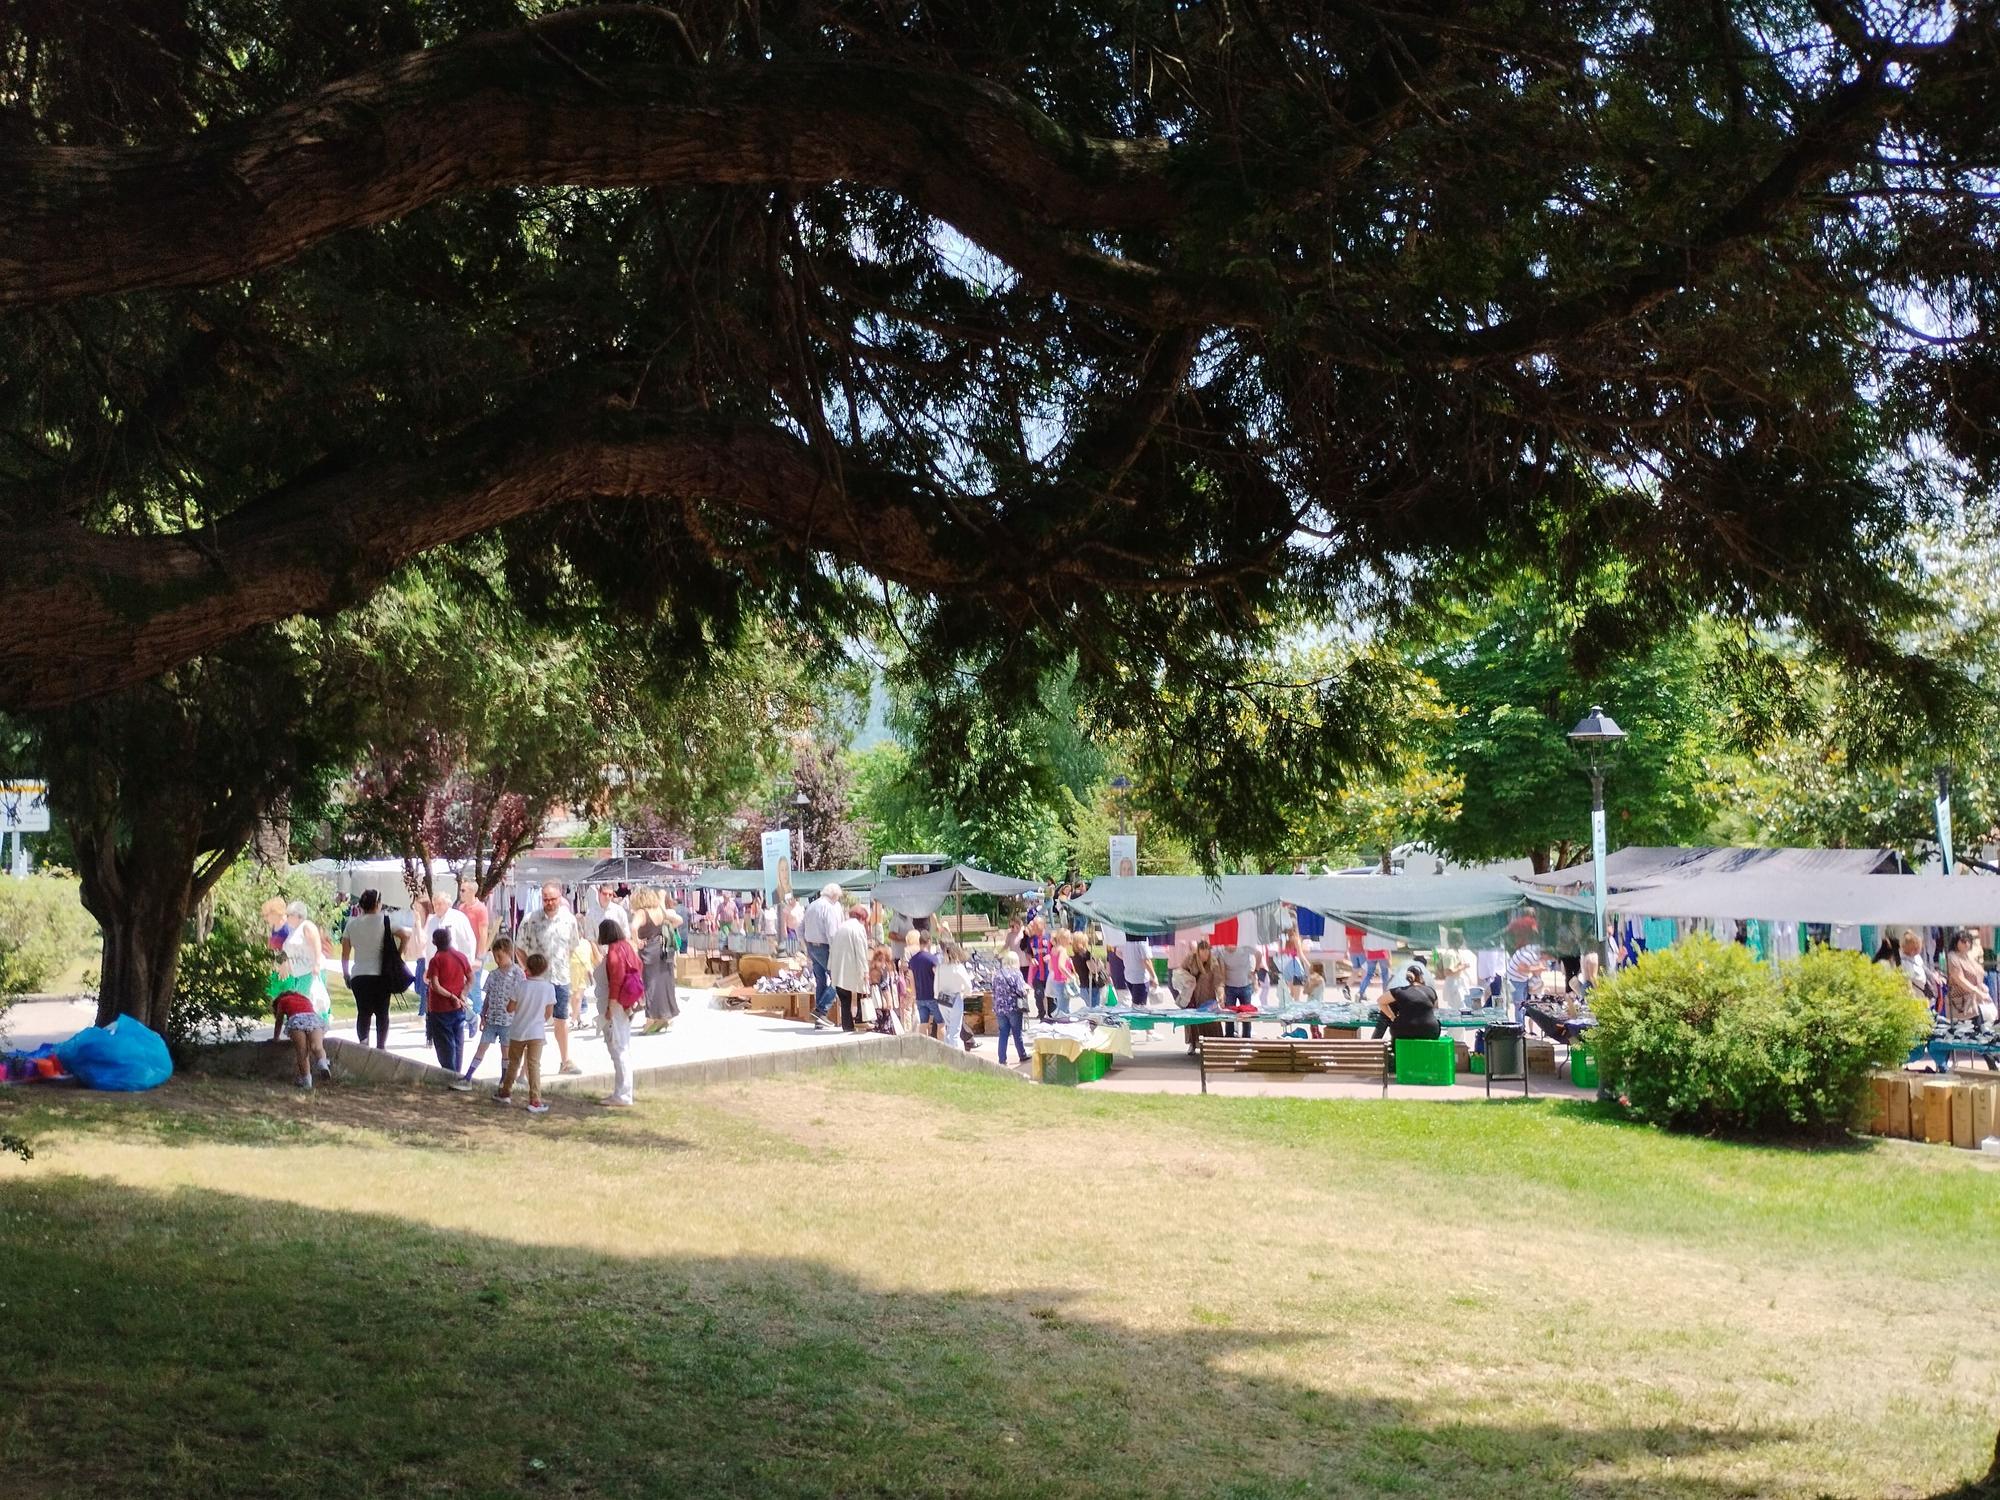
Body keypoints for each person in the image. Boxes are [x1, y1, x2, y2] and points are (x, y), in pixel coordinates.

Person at [515, 882, 584, 1075]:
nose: (549, 903)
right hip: (538, 980)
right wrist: (527, 969)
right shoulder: (531, 920)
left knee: (561, 1020)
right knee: (534, 1021)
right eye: (545, 899)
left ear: (560, 898)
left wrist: (562, 965)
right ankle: (527, 1068)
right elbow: (519, 948)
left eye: (553, 899)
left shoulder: (569, 920)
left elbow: (571, 947)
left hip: (560, 978)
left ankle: (565, 1061)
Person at [496, 952, 554, 1114]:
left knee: (513, 1062)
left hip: (518, 1030)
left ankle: (505, 1092)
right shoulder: (548, 988)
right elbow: (549, 1012)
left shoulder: (521, 985)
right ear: (544, 969)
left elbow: (510, 1008)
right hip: (536, 1032)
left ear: (527, 967)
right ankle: (535, 1100)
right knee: (534, 1065)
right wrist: (539, 1019)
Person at [593, 918, 643, 1107]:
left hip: (617, 1003)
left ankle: (623, 1094)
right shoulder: (627, 947)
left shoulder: (614, 952)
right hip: (628, 1001)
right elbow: (639, 965)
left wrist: (610, 1008)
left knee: (618, 1048)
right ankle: (623, 1091)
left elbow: (615, 980)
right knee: (623, 1046)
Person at [340, 888, 397, 1048]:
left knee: (363, 1012)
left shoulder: (352, 924)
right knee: (382, 1013)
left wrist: (346, 974)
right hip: (381, 974)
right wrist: (396, 953)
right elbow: (405, 935)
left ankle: (363, 1043)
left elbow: (345, 954)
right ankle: (381, 1047)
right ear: (377, 904)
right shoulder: (385, 921)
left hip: (360, 975)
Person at [462, 937, 519, 1083]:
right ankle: (468, 1075)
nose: (497, 960)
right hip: (492, 1019)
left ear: (509, 953)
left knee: (505, 1051)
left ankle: (504, 1079)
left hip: (508, 1021)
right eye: (495, 957)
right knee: (482, 1047)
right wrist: (483, 1014)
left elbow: (521, 996)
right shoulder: (493, 974)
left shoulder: (517, 974)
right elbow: (488, 996)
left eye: (500, 956)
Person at [424, 927, 474, 1082]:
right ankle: (457, 1074)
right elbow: (471, 978)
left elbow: (435, 986)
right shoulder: (461, 957)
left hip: (439, 1008)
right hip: (458, 1007)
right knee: (458, 1041)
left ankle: (449, 1075)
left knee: (445, 1045)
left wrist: (451, 996)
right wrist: (462, 995)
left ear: (434, 942)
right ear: (450, 940)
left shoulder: (436, 960)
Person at [632, 890, 683, 1034]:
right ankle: (665, 1016)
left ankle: (651, 1019)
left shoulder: (642, 913)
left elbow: (634, 927)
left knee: (650, 984)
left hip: (649, 950)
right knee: (664, 983)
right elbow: (679, 920)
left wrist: (637, 941)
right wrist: (667, 928)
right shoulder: (659, 910)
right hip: (663, 949)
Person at [801, 882, 845, 1028]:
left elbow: (800, 927)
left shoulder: (812, 905)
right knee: (838, 979)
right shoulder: (829, 907)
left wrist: (806, 946)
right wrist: (836, 952)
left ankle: (818, 1021)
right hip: (825, 947)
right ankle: (821, 1010)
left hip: (812, 946)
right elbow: (831, 932)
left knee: (821, 980)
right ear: (833, 895)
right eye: (838, 897)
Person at [828, 896, 872, 1033]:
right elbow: (861, 952)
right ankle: (860, 1019)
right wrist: (865, 971)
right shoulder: (858, 929)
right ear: (863, 918)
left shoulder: (841, 926)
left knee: (844, 998)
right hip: (851, 967)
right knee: (860, 993)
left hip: (838, 967)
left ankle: (847, 1025)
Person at [455, 877, 490, 1034]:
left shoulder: (480, 909)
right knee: (462, 988)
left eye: (463, 890)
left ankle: (480, 1016)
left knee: (474, 987)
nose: (461, 893)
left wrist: (479, 956)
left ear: (472, 892)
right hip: (463, 954)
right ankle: (469, 1017)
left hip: (476, 954)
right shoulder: (461, 908)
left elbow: (483, 934)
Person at [1376, 964, 1442, 1041]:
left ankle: (1396, 1051)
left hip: (1403, 1030)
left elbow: (1380, 1001)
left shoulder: (1399, 991)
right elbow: (1435, 1009)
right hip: (1430, 1030)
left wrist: (1392, 1017)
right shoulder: (1431, 991)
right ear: (1421, 977)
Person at [991, 950, 1030, 1066]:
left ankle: (1002, 1059)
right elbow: (1021, 990)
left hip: (1000, 1008)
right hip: (1013, 1007)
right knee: (1017, 1032)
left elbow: (993, 990)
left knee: (1003, 1033)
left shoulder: (997, 974)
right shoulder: (1016, 973)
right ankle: (1022, 1054)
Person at [937, 942, 977, 1052]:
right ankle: (956, 1054)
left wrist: (937, 996)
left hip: (942, 997)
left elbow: (936, 984)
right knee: (955, 1029)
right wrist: (966, 993)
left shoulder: (941, 967)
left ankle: (947, 1051)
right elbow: (968, 985)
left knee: (949, 1027)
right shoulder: (958, 967)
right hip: (955, 996)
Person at [1944, 929, 1984, 1021]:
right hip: (1959, 1004)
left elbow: (1979, 973)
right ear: (1956, 942)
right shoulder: (1952, 957)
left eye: (1968, 941)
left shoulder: (1968, 957)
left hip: (1972, 1002)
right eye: (1963, 941)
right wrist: (1976, 990)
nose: (1966, 944)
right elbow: (1959, 978)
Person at [909, 930, 942, 1039]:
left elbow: (912, 980)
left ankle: (923, 1050)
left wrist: (914, 996)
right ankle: (943, 1049)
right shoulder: (932, 959)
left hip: (920, 997)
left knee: (923, 1024)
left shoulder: (912, 961)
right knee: (941, 1023)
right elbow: (938, 978)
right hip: (933, 996)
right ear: (929, 941)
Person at [1433, 931, 1476, 1011]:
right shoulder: (1450, 954)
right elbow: (1447, 972)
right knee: (1459, 1009)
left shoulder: (1456, 952)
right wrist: (1462, 967)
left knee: (1461, 1007)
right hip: (1454, 985)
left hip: (1458, 984)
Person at [1024, 916, 1054, 1021]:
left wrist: (1050, 956)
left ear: (1043, 925)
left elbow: (1056, 952)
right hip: (1037, 973)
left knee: (1051, 995)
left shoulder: (1050, 937)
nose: (1034, 927)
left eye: (1036, 925)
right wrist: (1031, 959)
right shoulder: (1032, 939)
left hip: (1049, 972)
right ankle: (1042, 1015)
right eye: (1034, 925)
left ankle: (1052, 1015)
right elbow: (1028, 954)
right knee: (1038, 995)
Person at [1046, 930, 1079, 1018]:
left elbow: (1050, 967)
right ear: (1064, 939)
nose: (1070, 941)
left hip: (1055, 981)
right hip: (1062, 980)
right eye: (1069, 938)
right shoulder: (1062, 950)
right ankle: (1062, 1023)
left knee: (1061, 1005)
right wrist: (1070, 976)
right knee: (1064, 1008)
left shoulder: (1053, 949)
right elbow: (1061, 966)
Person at [1899, 929, 1934, 1006]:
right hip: (1914, 999)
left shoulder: (1917, 957)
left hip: (1923, 995)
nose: (1920, 950)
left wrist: (1933, 976)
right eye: (1918, 948)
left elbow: (1923, 967)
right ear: (1912, 950)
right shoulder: (1902, 963)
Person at [1121, 934, 1152, 1007]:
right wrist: (1154, 976)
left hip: (1128, 975)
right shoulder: (1142, 942)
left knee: (1135, 1003)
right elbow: (1146, 960)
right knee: (1139, 1007)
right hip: (1140, 977)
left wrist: (1129, 960)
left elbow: (1118, 953)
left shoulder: (1124, 942)